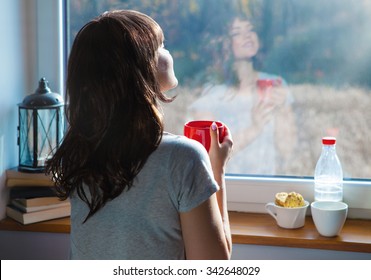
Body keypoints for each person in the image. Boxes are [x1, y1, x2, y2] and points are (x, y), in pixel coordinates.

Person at [46, 10, 233, 260]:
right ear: (141, 67)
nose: (169, 53)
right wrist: (216, 169)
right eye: (161, 46)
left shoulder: (82, 152)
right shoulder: (183, 158)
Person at [189, 14, 297, 175]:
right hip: (229, 189)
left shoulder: (276, 84)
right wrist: (254, 128)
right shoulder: (212, 94)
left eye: (251, 29)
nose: (247, 35)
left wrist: (282, 110)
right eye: (237, 32)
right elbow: (207, 158)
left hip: (267, 184)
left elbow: (287, 150)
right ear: (224, 44)